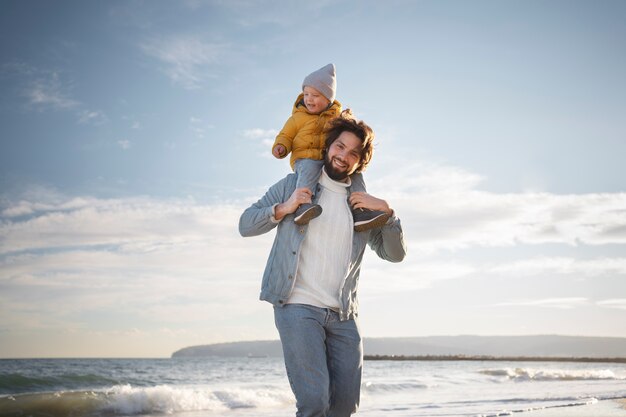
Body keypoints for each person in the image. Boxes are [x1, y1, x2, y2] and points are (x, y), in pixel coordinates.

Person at [240, 112, 407, 417]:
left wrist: (389, 212)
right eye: (340, 146)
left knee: (344, 407)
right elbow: (245, 224)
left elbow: (394, 254)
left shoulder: (361, 205)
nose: (344, 156)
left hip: (343, 314)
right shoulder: (294, 184)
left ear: (360, 162)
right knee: (315, 403)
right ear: (328, 145)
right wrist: (285, 208)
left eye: (353, 153)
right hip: (297, 306)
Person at [272, 63, 390, 231]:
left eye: (315, 95)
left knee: (355, 173)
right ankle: (302, 206)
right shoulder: (297, 119)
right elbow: (285, 135)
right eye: (306, 94)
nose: (309, 99)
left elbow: (347, 129)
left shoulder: (335, 116)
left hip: (325, 159)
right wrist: (281, 146)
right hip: (305, 159)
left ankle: (360, 210)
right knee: (309, 168)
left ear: (328, 99)